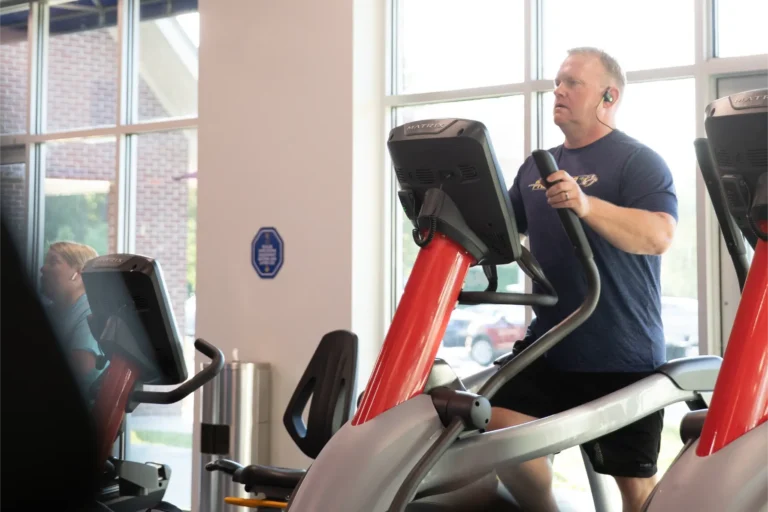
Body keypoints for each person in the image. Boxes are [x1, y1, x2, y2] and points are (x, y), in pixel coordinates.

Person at [488, 47, 678, 512]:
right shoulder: (536, 167)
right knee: (497, 427)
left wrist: (586, 205)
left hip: (620, 352)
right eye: (557, 82)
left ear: (608, 95)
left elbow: (658, 235)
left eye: (573, 82)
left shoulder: (637, 160)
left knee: (633, 487)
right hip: (551, 344)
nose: (559, 90)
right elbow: (501, 236)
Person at [40, 240, 105, 392]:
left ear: (79, 273)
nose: (43, 268)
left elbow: (79, 372)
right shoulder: (51, 310)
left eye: (53, 262)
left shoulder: (90, 312)